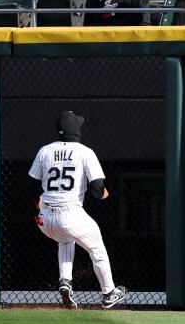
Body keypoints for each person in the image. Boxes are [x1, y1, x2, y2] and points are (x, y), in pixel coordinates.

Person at [28, 111, 127, 309]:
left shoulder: (45, 150)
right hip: (70, 214)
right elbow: (98, 188)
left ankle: (65, 282)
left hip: (45, 219)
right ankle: (109, 293)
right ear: (76, 130)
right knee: (96, 247)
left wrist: (37, 202)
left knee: (65, 240)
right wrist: (104, 194)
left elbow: (31, 185)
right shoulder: (85, 152)